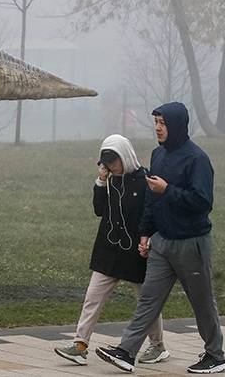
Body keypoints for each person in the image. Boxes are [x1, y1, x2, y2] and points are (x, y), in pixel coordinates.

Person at [96, 102, 225, 374]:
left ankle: (215, 356)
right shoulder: (158, 155)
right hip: (162, 243)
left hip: (191, 243)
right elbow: (151, 200)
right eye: (156, 122)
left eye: (163, 123)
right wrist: (145, 232)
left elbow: (203, 202)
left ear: (177, 125)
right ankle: (126, 352)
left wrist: (168, 190)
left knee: (202, 302)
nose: (157, 128)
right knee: (148, 300)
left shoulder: (197, 159)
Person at [54, 134, 168, 366]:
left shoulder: (144, 180)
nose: (111, 166)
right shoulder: (109, 181)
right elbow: (99, 210)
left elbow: (153, 214)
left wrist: (149, 240)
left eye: (113, 161)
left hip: (137, 253)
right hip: (108, 251)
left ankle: (157, 345)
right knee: (92, 297)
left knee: (146, 302)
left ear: (125, 156)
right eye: (106, 162)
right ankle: (80, 345)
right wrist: (100, 181)